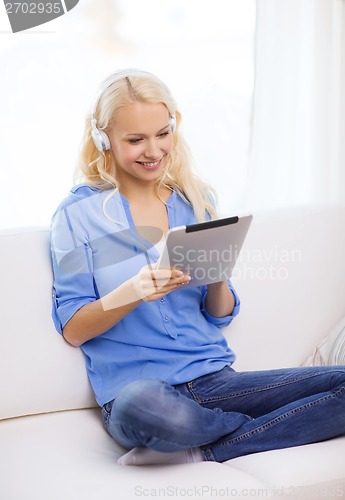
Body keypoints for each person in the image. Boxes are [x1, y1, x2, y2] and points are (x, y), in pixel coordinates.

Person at [50, 68, 345, 466]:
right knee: (148, 408)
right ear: (104, 139)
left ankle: (205, 446)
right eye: (135, 140)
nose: (153, 151)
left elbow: (219, 315)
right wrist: (132, 291)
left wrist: (219, 275)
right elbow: (73, 328)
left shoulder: (195, 199)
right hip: (138, 391)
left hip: (216, 380)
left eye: (162, 133)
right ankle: (251, 427)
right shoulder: (76, 214)